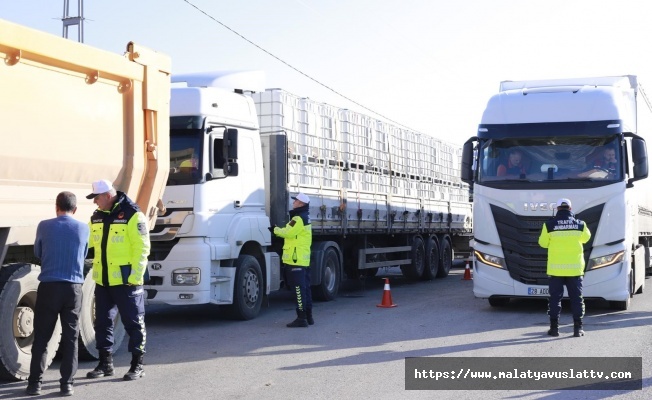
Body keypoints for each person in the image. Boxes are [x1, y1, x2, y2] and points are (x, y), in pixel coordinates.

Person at [85, 179, 150, 380]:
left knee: (134, 322)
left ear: (107, 196)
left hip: (127, 281)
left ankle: (137, 365)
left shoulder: (132, 214)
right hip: (103, 281)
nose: (95, 202)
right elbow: (87, 244)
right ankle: (105, 364)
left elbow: (142, 248)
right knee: (102, 323)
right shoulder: (96, 217)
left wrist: (135, 277)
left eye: (96, 198)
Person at [26, 192, 89, 397]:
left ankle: (35, 384)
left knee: (42, 337)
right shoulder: (83, 228)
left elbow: (37, 252)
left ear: (56, 206)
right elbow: (84, 253)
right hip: (73, 289)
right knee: (71, 338)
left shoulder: (44, 225)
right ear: (75, 209)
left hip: (49, 287)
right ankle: (66, 385)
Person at [538, 198, 591, 338]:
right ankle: (578, 329)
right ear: (570, 208)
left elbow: (542, 243)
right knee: (577, 299)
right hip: (575, 270)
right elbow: (586, 238)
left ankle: (554, 329)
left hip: (556, 270)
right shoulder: (580, 224)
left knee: (555, 299)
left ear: (556, 209)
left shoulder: (549, 224)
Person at [270, 192, 313, 327]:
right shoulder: (305, 217)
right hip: (301, 259)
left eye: (296, 201)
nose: (293, 202)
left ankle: (301, 319)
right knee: (305, 289)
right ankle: (308, 317)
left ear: (301, 204)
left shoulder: (299, 219)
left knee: (299, 290)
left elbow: (288, 233)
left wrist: (275, 230)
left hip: (296, 260)